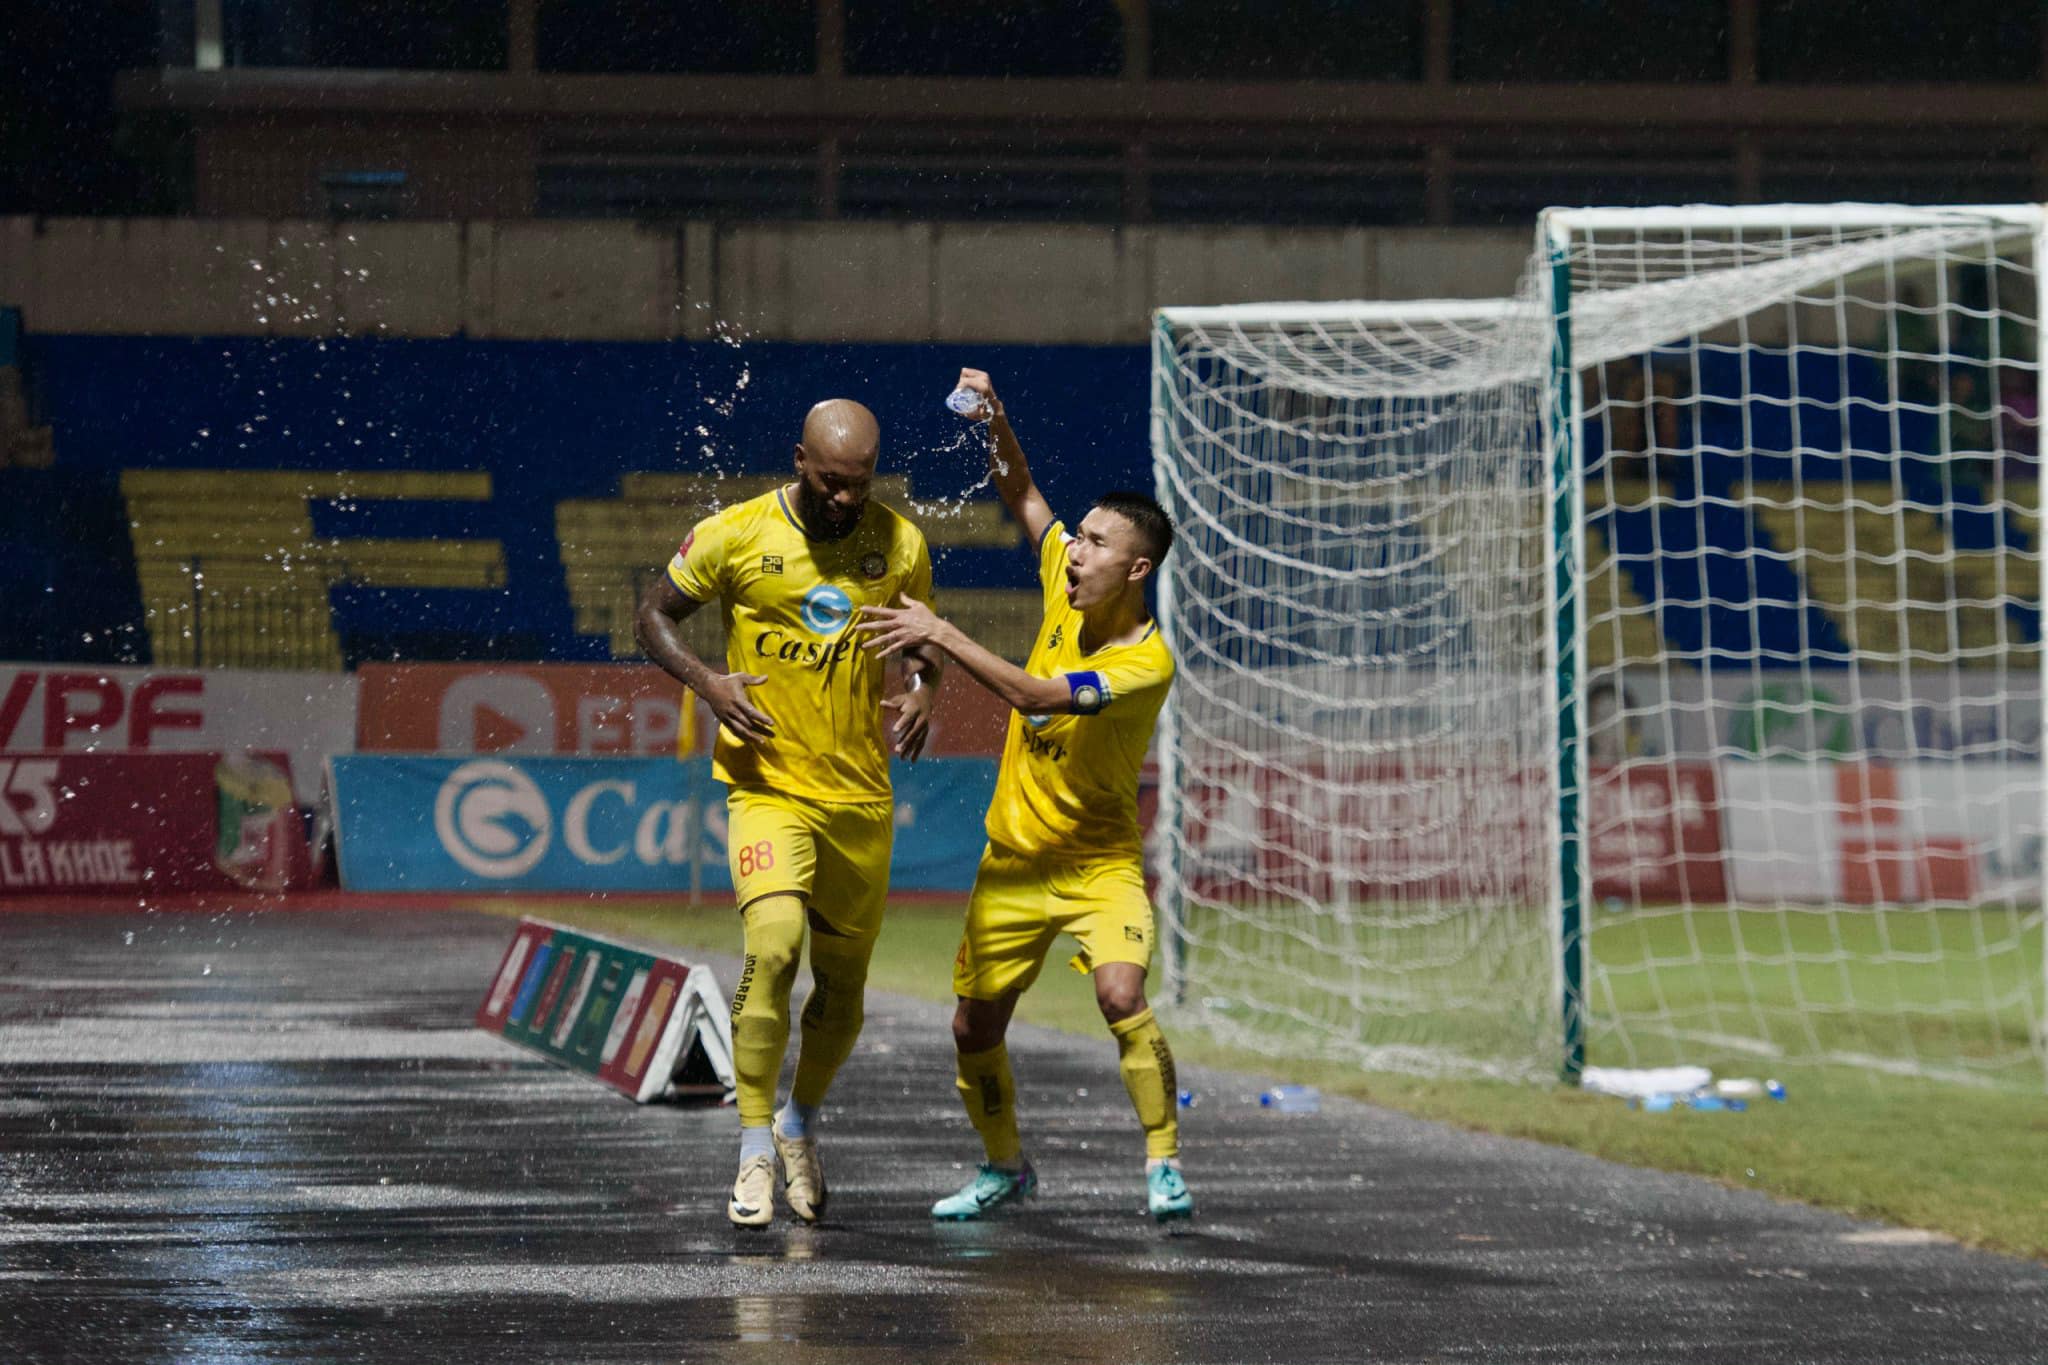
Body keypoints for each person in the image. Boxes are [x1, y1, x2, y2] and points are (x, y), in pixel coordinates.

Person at [857, 368, 1192, 1224]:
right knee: (973, 1029)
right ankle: (1005, 1165)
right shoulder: (1061, 573)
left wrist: (941, 632)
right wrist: (997, 422)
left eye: (1096, 543)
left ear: (1138, 567)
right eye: (1077, 537)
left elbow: (1038, 697)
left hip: (1096, 864)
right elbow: (1021, 490)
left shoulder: (1143, 662)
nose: (1075, 550)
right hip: (1011, 866)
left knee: (1120, 994)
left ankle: (1163, 1164)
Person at [635, 398, 942, 1228]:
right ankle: (753, 1146)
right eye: (833, 482)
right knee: (772, 952)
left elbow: (921, 642)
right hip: (766, 786)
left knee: (842, 987)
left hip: (860, 799)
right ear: (800, 459)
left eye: (862, 483)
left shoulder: (900, 542)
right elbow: (652, 613)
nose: (847, 499)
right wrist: (708, 683)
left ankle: (800, 1119)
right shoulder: (735, 533)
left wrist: (922, 688)